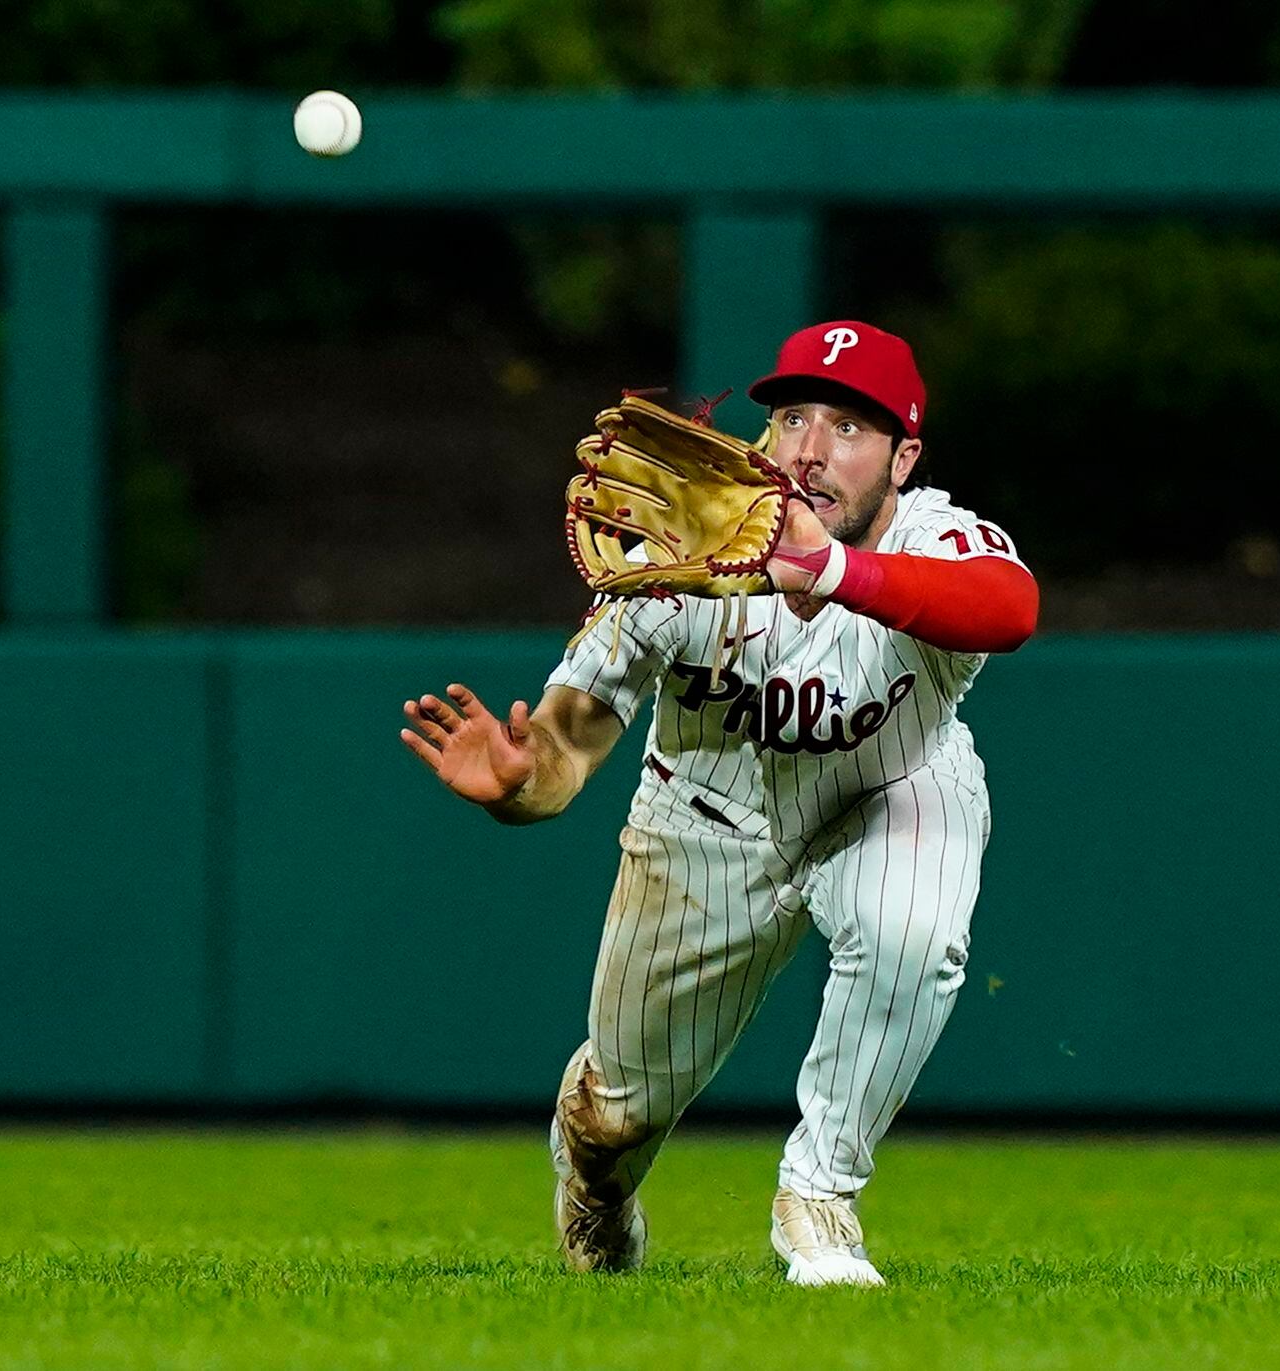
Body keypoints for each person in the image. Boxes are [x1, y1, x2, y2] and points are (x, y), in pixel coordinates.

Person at [399, 320, 1039, 1286]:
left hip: (892, 787)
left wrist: (831, 568)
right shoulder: (686, 545)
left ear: (905, 457)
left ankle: (819, 1196)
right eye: (790, 418)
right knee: (619, 1107)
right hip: (707, 820)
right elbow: (573, 741)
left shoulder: (931, 535)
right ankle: (597, 1186)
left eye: (849, 427)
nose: (811, 450)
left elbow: (1008, 606)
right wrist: (524, 783)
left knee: (910, 931)